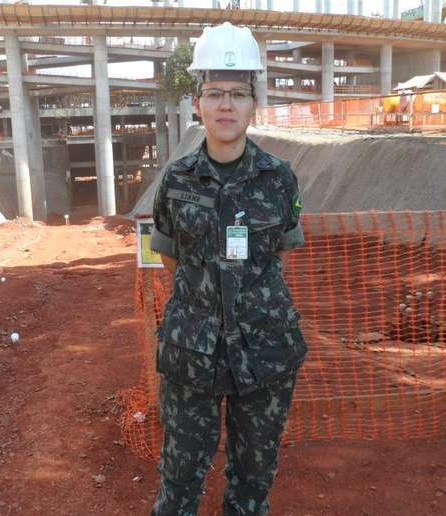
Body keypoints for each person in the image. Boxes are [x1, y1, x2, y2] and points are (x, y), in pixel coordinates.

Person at [149, 22, 307, 516]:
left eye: (238, 94)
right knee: (178, 480)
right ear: (197, 101)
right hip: (190, 351)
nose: (226, 105)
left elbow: (279, 254)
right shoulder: (175, 179)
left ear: (253, 104)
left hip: (265, 351)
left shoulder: (279, 178)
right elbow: (170, 255)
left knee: (252, 483)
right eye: (215, 93)